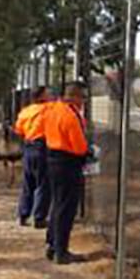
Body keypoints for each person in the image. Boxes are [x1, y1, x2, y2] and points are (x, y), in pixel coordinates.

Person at [42, 81, 92, 264]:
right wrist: (89, 152)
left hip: (53, 158)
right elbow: (79, 147)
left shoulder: (53, 110)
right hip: (68, 163)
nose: (83, 102)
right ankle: (61, 252)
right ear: (75, 96)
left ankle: (52, 244)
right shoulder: (71, 116)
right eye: (83, 97)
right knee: (67, 208)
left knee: (58, 203)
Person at [13, 86, 52, 228]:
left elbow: (18, 129)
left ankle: (23, 214)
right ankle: (39, 217)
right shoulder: (47, 110)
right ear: (42, 96)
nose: (50, 95)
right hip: (42, 146)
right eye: (48, 93)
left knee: (28, 182)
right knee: (43, 183)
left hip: (28, 146)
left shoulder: (25, 112)